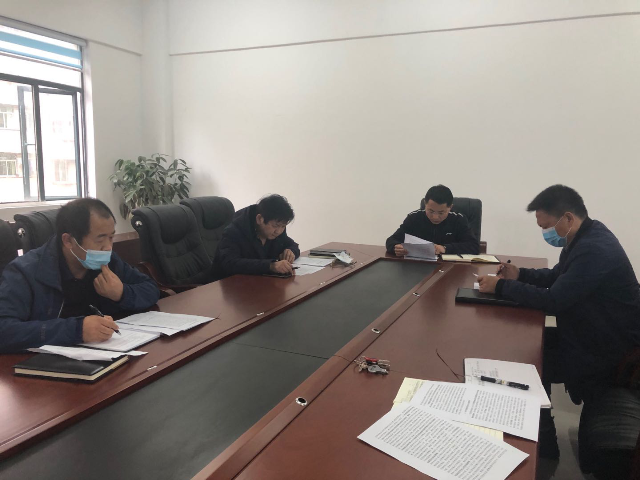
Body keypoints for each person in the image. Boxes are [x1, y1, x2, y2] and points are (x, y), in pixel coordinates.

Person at [478, 185, 640, 459]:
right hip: (591, 332)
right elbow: (558, 276)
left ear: (567, 218)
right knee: (527, 351)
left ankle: (544, 445)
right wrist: (520, 274)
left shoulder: (595, 249)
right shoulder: (586, 235)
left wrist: (501, 287)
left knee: (530, 364)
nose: (545, 233)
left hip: (607, 350)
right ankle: (544, 435)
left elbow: (554, 300)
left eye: (546, 227)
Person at [0, 198, 160, 353]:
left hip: (103, 352)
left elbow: (151, 289)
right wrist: (77, 330)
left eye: (111, 237)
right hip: (42, 362)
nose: (108, 247)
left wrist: (122, 293)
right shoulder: (25, 271)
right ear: (68, 240)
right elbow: (4, 330)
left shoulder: (108, 261)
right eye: (100, 240)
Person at [214, 194, 300, 278]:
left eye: (283, 226)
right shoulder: (234, 231)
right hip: (229, 283)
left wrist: (291, 252)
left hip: (259, 281)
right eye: (275, 226)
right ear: (259, 219)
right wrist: (270, 266)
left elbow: (292, 245)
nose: (279, 231)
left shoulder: (276, 230)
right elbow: (230, 263)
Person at [386, 184, 479, 256]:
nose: (435, 217)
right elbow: (391, 240)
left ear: (450, 207)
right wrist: (396, 247)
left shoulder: (458, 220)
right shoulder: (414, 218)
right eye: (431, 211)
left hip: (449, 267)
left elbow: (473, 246)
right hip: (419, 266)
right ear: (425, 204)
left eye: (441, 213)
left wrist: (445, 248)